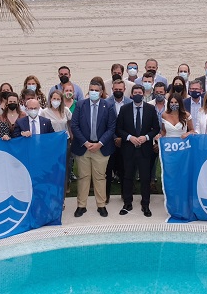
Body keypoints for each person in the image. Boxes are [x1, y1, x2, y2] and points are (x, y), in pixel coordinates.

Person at [69, 77, 118, 217]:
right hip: (83, 147)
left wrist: (99, 143)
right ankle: (81, 205)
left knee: (100, 177)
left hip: (101, 148)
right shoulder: (80, 105)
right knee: (83, 177)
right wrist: (85, 142)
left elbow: (111, 128)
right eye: (91, 90)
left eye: (96, 90)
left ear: (101, 92)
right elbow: (74, 125)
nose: (93, 92)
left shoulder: (108, 106)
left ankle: (101, 205)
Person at [115, 84, 161, 216]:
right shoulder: (124, 109)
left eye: (140, 92)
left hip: (145, 149)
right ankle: (127, 203)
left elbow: (156, 129)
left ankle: (145, 204)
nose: (137, 94)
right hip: (128, 148)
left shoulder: (150, 109)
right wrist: (129, 138)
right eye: (135, 92)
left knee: (145, 178)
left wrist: (146, 137)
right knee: (128, 177)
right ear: (131, 94)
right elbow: (119, 129)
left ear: (143, 94)